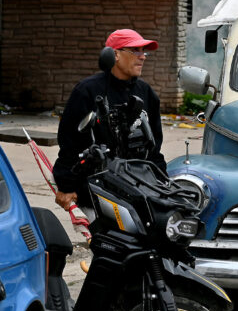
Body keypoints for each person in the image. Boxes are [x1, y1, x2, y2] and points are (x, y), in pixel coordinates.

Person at [53, 29, 166, 212]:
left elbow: (154, 148)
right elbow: (69, 142)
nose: (142, 57)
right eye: (135, 50)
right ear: (115, 55)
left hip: (137, 185)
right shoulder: (87, 91)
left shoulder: (147, 94)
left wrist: (162, 183)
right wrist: (66, 185)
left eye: (143, 51)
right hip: (95, 187)